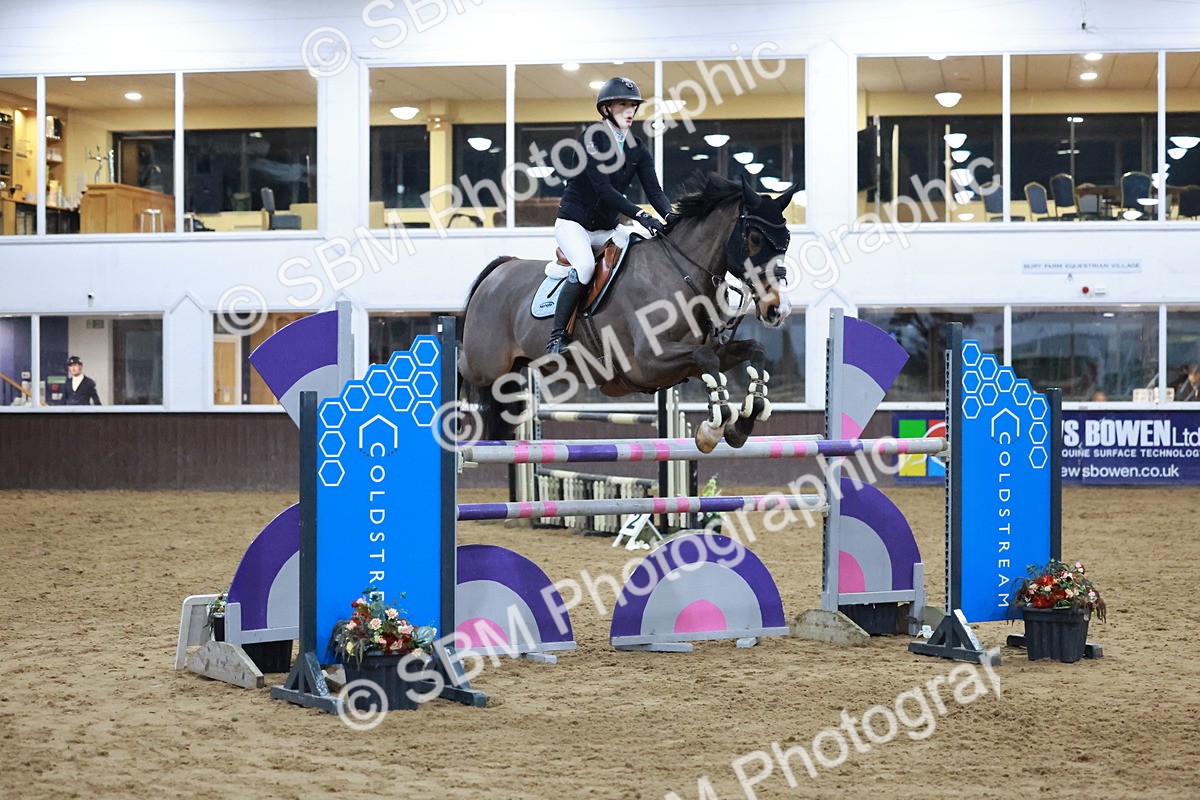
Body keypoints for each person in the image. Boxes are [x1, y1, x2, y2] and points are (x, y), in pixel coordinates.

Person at [545, 76, 674, 354]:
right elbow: (603, 189)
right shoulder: (592, 139)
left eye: (633, 106)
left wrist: (672, 217)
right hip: (573, 224)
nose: (630, 111)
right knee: (585, 268)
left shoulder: (637, 148)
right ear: (606, 110)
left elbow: (655, 191)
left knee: (638, 254)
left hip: (606, 227)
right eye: (622, 105)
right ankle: (557, 337)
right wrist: (641, 215)